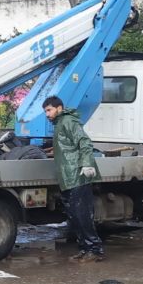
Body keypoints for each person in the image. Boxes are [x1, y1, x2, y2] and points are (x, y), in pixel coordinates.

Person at [42, 95, 103, 262]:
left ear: (59, 108)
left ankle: (94, 250)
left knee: (82, 215)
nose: (47, 114)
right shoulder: (60, 124)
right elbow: (67, 147)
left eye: (49, 110)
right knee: (75, 216)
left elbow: (84, 142)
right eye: (45, 111)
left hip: (78, 175)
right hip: (69, 177)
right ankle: (85, 249)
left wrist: (87, 164)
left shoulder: (68, 121)